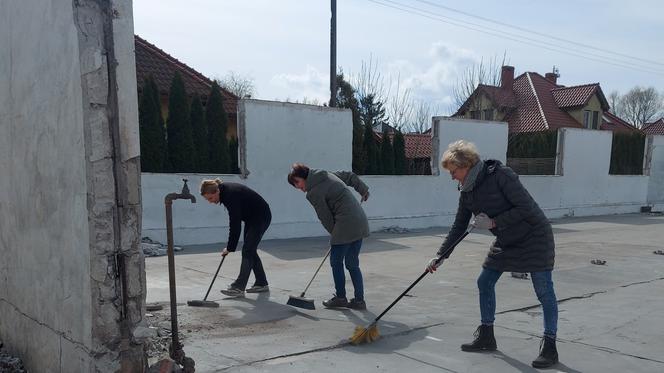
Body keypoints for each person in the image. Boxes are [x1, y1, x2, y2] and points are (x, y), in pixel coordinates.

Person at [425, 140, 559, 368]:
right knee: (485, 281)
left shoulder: (501, 176)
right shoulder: (467, 191)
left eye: (454, 171)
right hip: (507, 240)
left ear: (466, 165)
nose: (452, 177)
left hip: (534, 236)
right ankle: (487, 336)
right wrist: (441, 255)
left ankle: (550, 346)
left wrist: (495, 222)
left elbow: (526, 208)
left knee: (543, 291)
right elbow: (459, 225)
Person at [287, 163, 370, 310]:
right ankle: (359, 301)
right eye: (295, 186)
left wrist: (336, 236)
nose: (298, 188)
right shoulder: (326, 174)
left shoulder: (313, 192)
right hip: (360, 220)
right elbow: (349, 176)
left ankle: (340, 298)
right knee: (352, 263)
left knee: (336, 262)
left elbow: (325, 217)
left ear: (304, 177)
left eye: (297, 183)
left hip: (345, 223)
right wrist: (363, 190)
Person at [200, 178, 272, 298]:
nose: (210, 202)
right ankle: (261, 283)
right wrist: (230, 246)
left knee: (248, 250)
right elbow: (236, 221)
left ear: (217, 191)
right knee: (250, 250)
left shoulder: (230, 195)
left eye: (210, 198)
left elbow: (235, 223)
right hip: (252, 218)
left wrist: (230, 247)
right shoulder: (225, 192)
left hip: (261, 217)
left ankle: (238, 287)